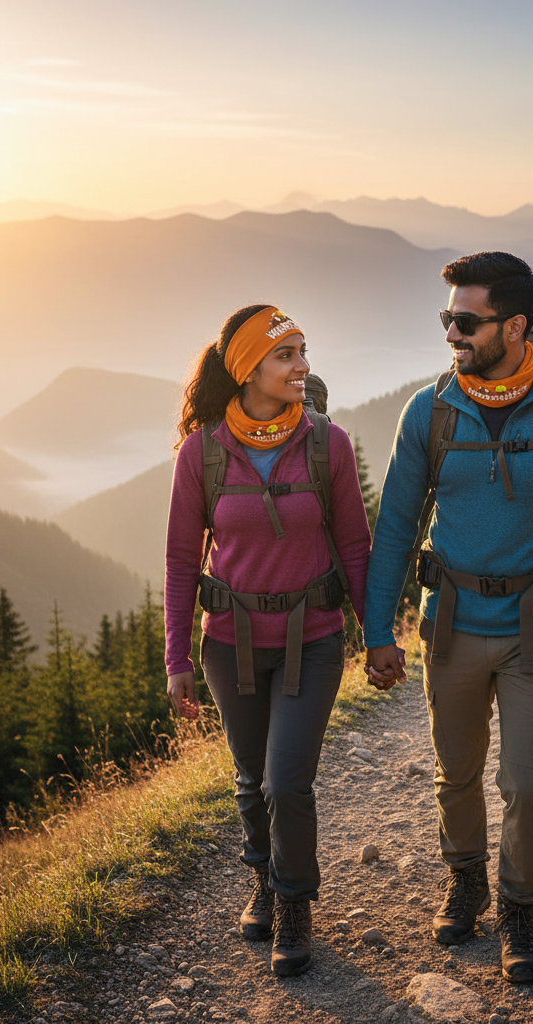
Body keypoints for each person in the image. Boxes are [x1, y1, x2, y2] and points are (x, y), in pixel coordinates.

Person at [363, 252, 533, 983]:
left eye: (466, 320)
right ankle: (467, 877)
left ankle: (519, 909)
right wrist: (377, 630)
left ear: (515, 325)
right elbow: (395, 529)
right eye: (446, 318)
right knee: (457, 773)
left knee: (529, 782)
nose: (452, 332)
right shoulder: (429, 412)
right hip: (448, 624)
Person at [165, 304, 371, 977]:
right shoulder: (202, 453)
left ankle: (293, 904)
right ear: (247, 367)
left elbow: (354, 544)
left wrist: (379, 634)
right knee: (251, 779)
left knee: (288, 781)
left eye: (303, 351)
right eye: (286, 355)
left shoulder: (326, 444)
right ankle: (264, 876)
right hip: (230, 642)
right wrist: (176, 658)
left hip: (313, 637)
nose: (302, 366)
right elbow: (178, 560)